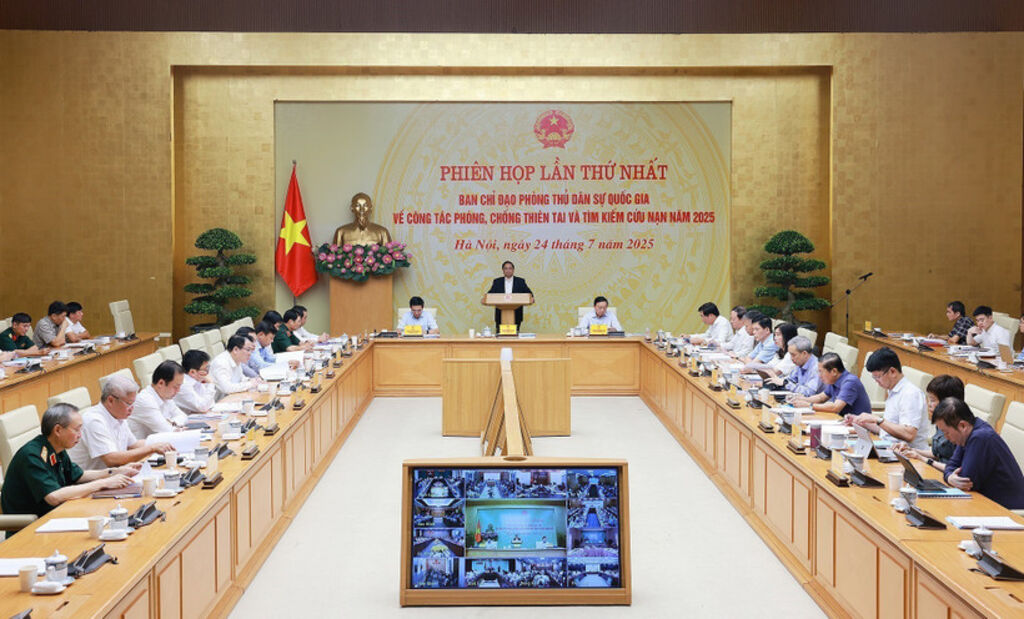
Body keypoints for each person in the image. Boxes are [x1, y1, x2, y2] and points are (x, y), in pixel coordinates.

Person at [0, 404, 138, 536]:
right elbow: (53, 497)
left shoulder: (56, 448)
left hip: (56, 517)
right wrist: (104, 483)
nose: (80, 435)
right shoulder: (32, 456)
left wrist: (114, 472)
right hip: (31, 529)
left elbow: (79, 475)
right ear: (58, 430)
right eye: (76, 430)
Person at [901, 398, 1024, 509]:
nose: (945, 437)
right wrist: (950, 477)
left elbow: (966, 481)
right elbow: (951, 465)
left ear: (962, 426)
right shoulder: (967, 433)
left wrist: (950, 476)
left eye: (946, 432)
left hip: (1006, 510)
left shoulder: (981, 437)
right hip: (983, 502)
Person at [67, 374, 173, 470]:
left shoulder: (119, 415)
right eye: (129, 404)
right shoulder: (94, 421)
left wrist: (164, 443)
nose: (132, 408)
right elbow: (112, 459)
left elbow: (134, 445)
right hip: (91, 481)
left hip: (113, 476)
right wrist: (152, 448)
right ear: (111, 400)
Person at [846, 346, 931, 450]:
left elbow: (909, 434)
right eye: (874, 377)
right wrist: (862, 422)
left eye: (878, 377)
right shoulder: (892, 391)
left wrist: (877, 420)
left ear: (892, 372)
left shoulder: (910, 394)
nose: (876, 381)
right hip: (888, 447)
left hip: (907, 454)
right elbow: (887, 431)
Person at [893, 374, 964, 464]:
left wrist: (923, 459)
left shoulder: (959, 430)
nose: (929, 404)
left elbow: (954, 467)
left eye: (932, 400)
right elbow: (937, 454)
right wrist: (911, 450)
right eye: (929, 399)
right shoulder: (941, 421)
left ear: (947, 402)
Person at [790, 352, 872, 416]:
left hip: (857, 427)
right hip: (842, 421)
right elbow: (821, 397)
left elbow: (835, 407)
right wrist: (802, 399)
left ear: (834, 371)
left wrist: (808, 405)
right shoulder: (834, 380)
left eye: (821, 372)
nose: (819, 375)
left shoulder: (850, 382)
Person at [127, 360, 188, 438]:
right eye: (176, 387)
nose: (178, 391)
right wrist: (173, 426)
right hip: (143, 444)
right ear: (161, 383)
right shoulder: (144, 400)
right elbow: (167, 431)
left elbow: (183, 416)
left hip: (160, 442)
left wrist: (171, 423)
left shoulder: (165, 396)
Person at [482, 261, 534, 331]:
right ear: (503, 270)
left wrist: (531, 298)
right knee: (500, 335)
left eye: (510, 268)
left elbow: (529, 293)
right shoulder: (497, 282)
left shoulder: (520, 281)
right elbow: (490, 294)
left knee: (514, 336)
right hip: (500, 314)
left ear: (513, 270)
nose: (508, 270)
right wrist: (485, 299)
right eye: (506, 268)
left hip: (517, 313)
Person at [175, 349, 216, 414]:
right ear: (192, 372)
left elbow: (210, 403)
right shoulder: (183, 384)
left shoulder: (197, 380)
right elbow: (203, 407)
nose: (207, 372)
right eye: (205, 369)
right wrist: (211, 384)